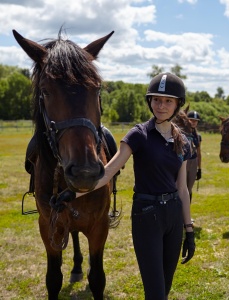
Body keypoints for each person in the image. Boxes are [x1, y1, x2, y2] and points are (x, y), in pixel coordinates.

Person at [60, 72, 195, 299]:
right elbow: (109, 172)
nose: (161, 106)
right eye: (156, 100)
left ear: (177, 104)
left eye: (168, 101)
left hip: (173, 216)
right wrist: (73, 193)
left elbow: (182, 188)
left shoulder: (181, 139)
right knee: (156, 294)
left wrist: (188, 229)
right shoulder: (138, 135)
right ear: (149, 102)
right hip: (147, 215)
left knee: (166, 287)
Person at [186, 110, 202, 202]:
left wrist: (199, 169)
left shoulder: (198, 136)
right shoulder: (183, 133)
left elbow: (199, 153)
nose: (193, 122)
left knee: (189, 189)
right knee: (182, 187)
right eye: (191, 120)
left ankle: (187, 214)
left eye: (195, 121)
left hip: (194, 161)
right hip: (185, 161)